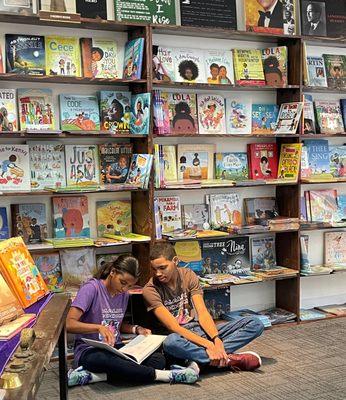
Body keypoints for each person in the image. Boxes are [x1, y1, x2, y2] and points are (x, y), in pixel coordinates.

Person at [66, 255, 199, 387]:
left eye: (129, 286)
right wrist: (98, 328)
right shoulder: (91, 288)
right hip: (90, 350)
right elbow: (69, 324)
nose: (124, 289)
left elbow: (116, 323)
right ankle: (166, 375)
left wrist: (136, 329)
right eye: (123, 282)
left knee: (157, 359)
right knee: (103, 360)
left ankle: (93, 377)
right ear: (112, 272)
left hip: (115, 348)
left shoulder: (123, 294)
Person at [143, 243, 264, 373]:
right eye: (154, 269)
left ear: (176, 261)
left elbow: (202, 313)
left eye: (162, 268)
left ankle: (203, 360)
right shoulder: (150, 290)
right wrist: (208, 345)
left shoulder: (188, 275)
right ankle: (227, 360)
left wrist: (216, 340)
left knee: (255, 323)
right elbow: (174, 327)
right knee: (171, 343)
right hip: (179, 337)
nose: (158, 273)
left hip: (197, 330)